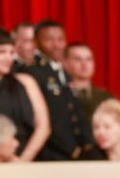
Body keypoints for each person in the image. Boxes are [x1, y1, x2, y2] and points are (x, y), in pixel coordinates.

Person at [22, 19, 101, 160]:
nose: (56, 45)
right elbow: (46, 118)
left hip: (74, 152)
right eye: (49, 39)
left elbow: (73, 112)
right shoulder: (32, 72)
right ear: (36, 42)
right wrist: (72, 150)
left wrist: (88, 146)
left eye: (60, 39)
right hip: (50, 153)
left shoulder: (61, 72)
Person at [0, 28, 51, 162]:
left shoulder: (26, 82)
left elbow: (43, 127)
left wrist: (22, 161)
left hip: (27, 159)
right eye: (2, 52)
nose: (8, 58)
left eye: (11, 53)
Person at [63, 43, 113, 118]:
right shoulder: (60, 96)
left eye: (88, 59)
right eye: (77, 59)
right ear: (65, 63)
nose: (84, 64)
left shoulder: (106, 97)